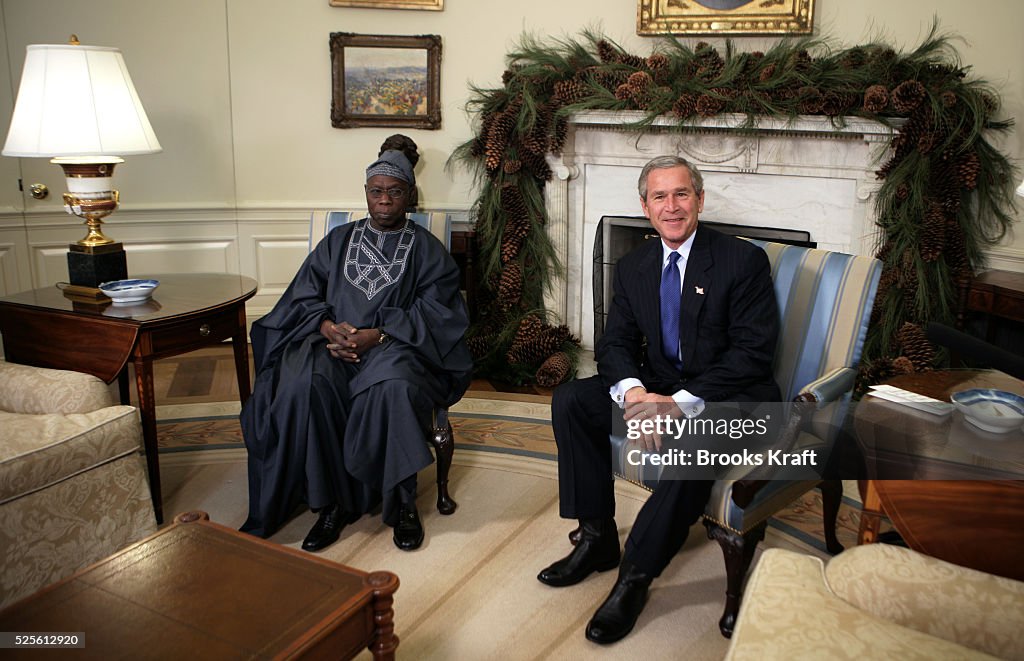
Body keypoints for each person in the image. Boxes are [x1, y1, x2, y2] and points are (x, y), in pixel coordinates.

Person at [536, 155, 780, 644]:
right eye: (660, 197)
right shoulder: (634, 266)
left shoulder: (742, 261)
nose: (672, 206)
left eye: (682, 194)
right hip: (659, 387)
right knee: (571, 401)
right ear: (645, 206)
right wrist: (635, 396)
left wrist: (675, 405)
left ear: (700, 200)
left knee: (692, 451)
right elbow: (615, 343)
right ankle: (598, 538)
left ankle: (634, 578)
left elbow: (753, 355)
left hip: (733, 398)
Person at [240, 149, 472, 553]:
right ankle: (331, 504)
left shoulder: (427, 248)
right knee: (303, 384)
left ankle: (402, 504)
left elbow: (439, 312)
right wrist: (328, 328)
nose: (384, 200)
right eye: (376, 191)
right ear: (365, 193)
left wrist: (378, 334)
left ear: (409, 195)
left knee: (393, 387)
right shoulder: (338, 241)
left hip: (395, 347)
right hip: (331, 345)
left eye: (394, 192)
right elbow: (303, 295)